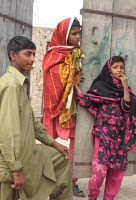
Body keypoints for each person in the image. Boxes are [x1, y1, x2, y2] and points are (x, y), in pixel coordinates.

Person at [0, 36, 73, 200]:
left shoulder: (20, 83)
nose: (33, 59)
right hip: (10, 162)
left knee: (61, 159)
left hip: (29, 154)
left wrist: (53, 143)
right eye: (28, 54)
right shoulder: (10, 85)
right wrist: (17, 169)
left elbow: (32, 123)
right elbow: (8, 133)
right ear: (13, 55)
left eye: (34, 54)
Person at [74, 56, 136, 200]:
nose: (119, 70)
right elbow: (86, 101)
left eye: (121, 67)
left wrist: (125, 86)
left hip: (120, 138)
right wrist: (75, 86)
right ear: (109, 69)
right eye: (115, 67)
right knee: (99, 170)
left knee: (117, 173)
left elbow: (127, 107)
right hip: (103, 135)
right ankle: (93, 196)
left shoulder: (127, 90)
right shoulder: (100, 87)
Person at [42, 17, 85, 197]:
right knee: (48, 142)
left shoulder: (78, 52)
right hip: (55, 106)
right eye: (74, 33)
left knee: (75, 143)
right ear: (64, 34)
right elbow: (52, 77)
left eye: (79, 33)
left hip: (72, 106)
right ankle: (46, 178)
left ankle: (71, 180)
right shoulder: (53, 54)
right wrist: (71, 76)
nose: (78, 37)